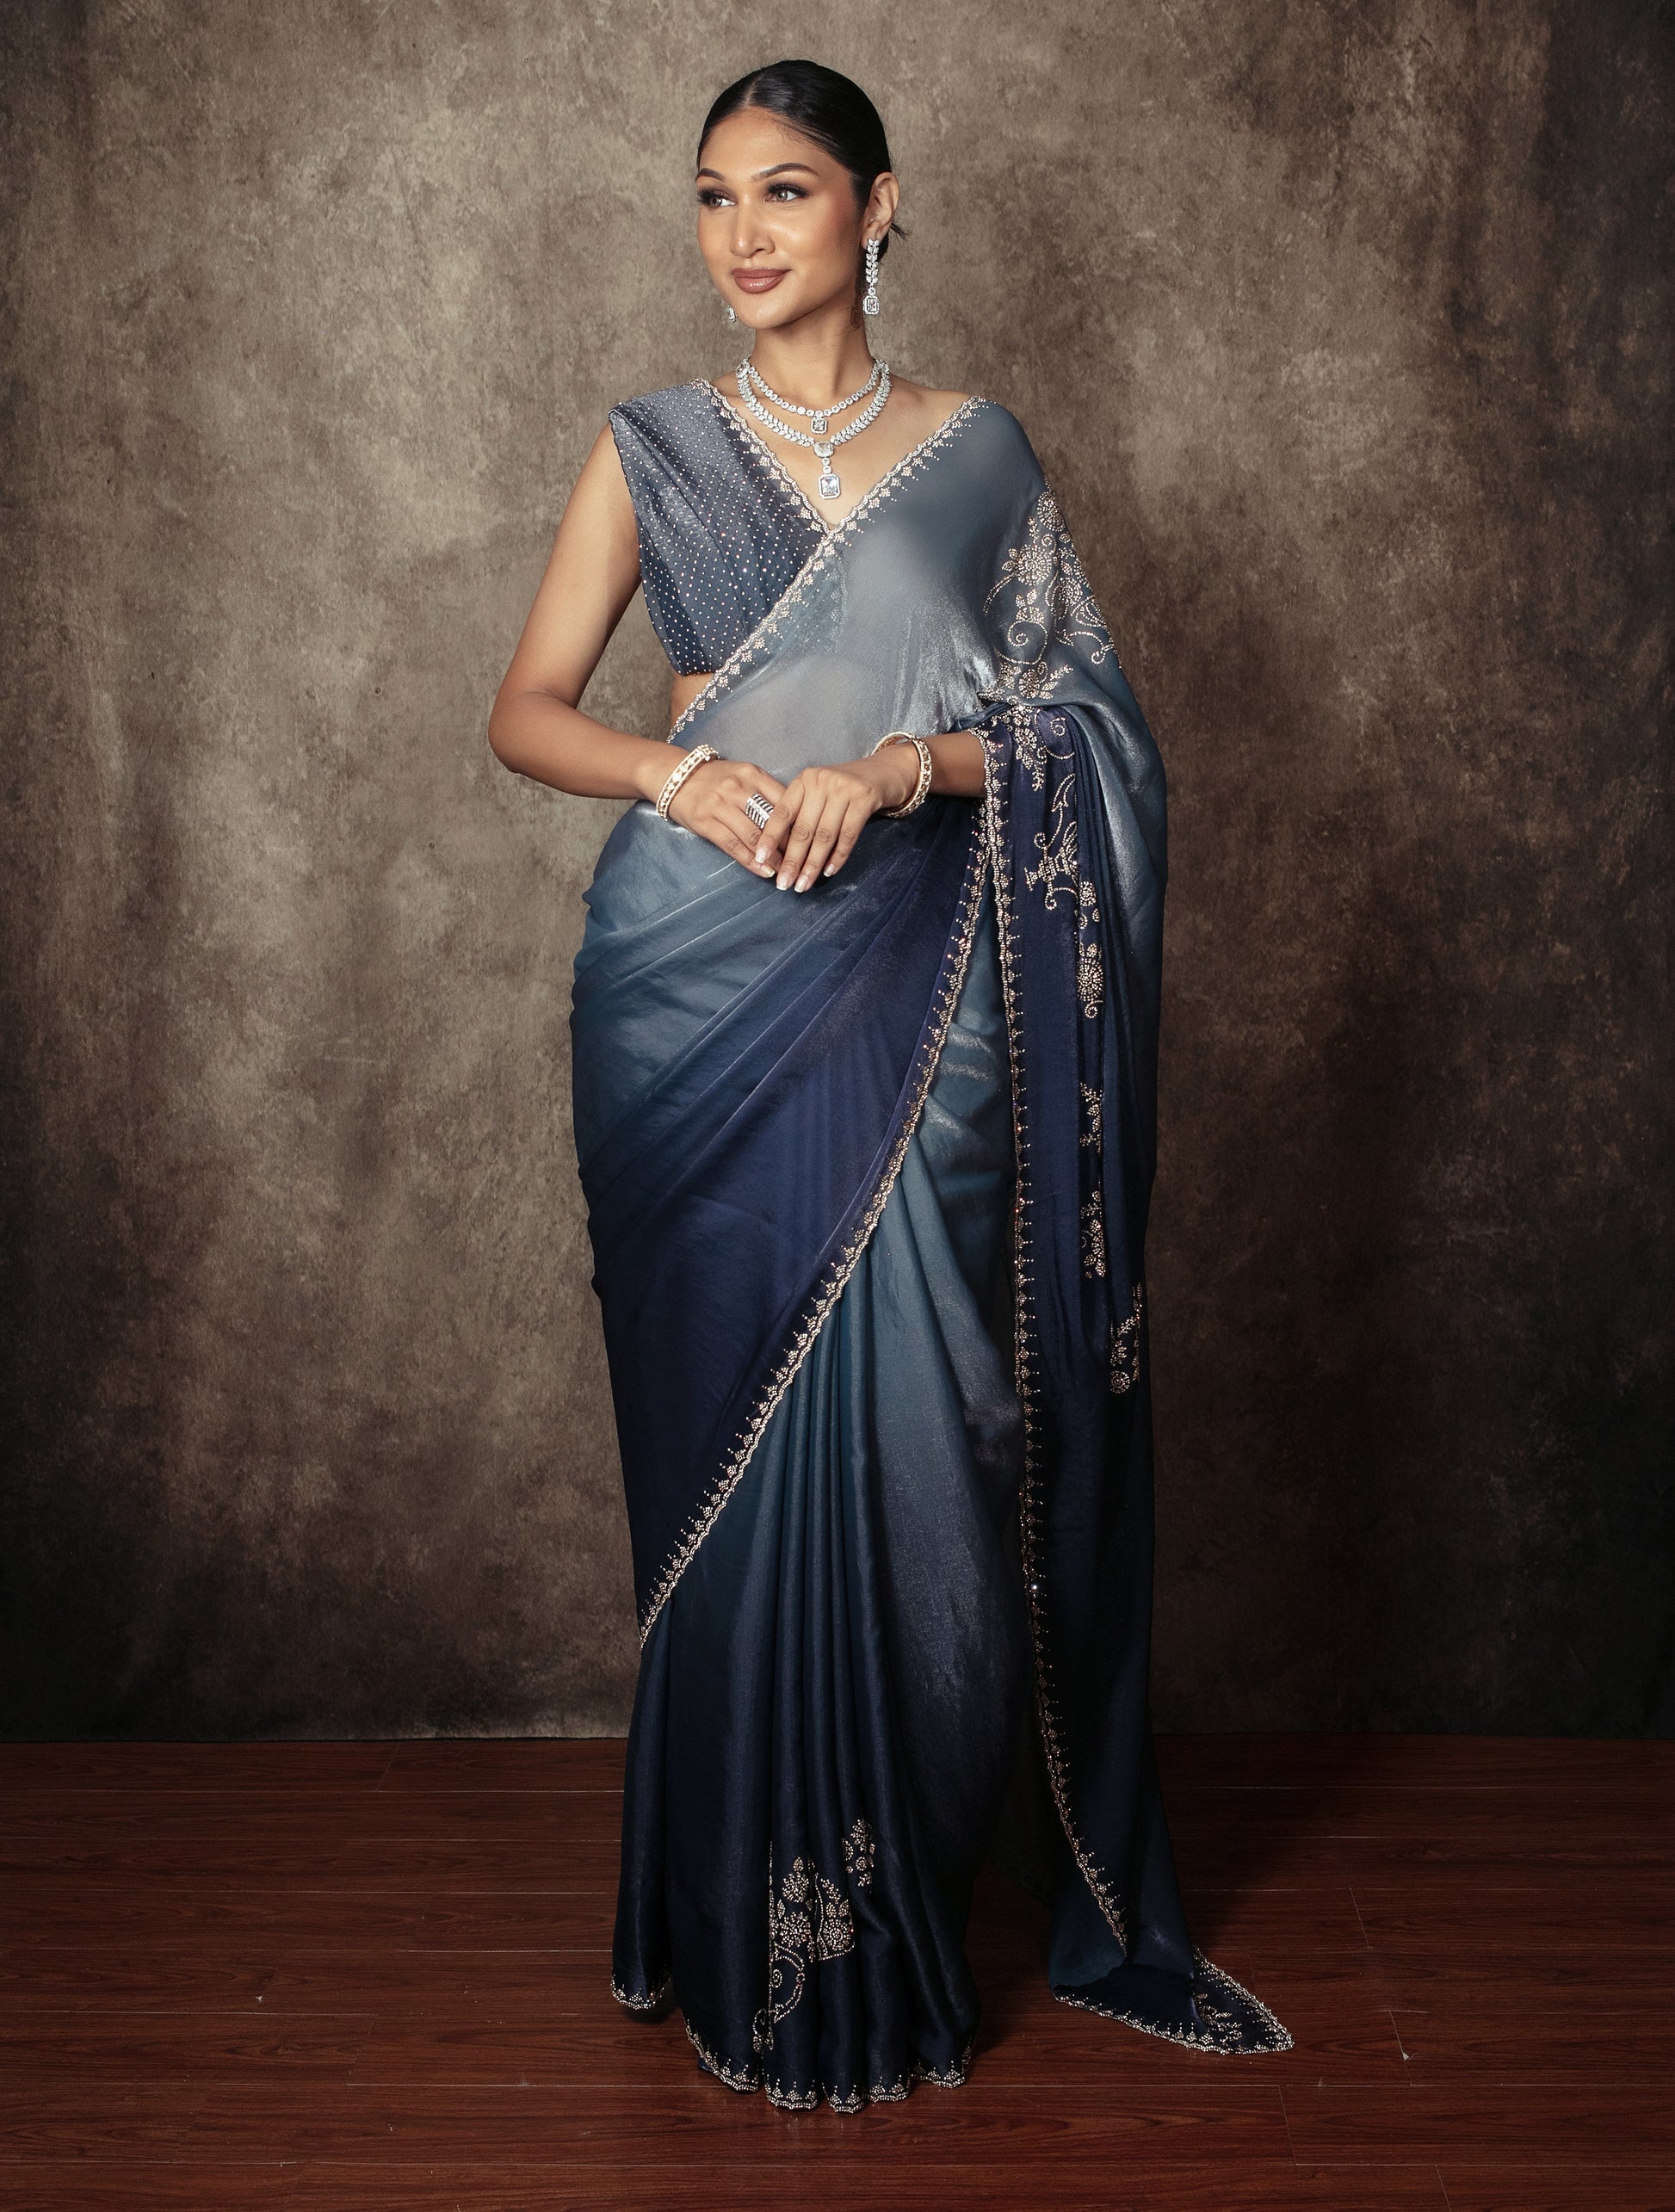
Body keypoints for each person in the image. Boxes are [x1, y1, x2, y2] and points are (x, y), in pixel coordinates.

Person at [489, 58, 1289, 2113]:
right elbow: (526, 709)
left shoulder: (978, 455)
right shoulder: (651, 447)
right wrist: (683, 770)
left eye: (784, 189)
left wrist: (904, 766)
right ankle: (733, 1916)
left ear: (877, 203)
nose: (741, 233)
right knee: (730, 1458)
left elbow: (1088, 731)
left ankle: (892, 1896)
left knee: (935, 1435)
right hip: (687, 997)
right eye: (711, 195)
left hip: (932, 994)